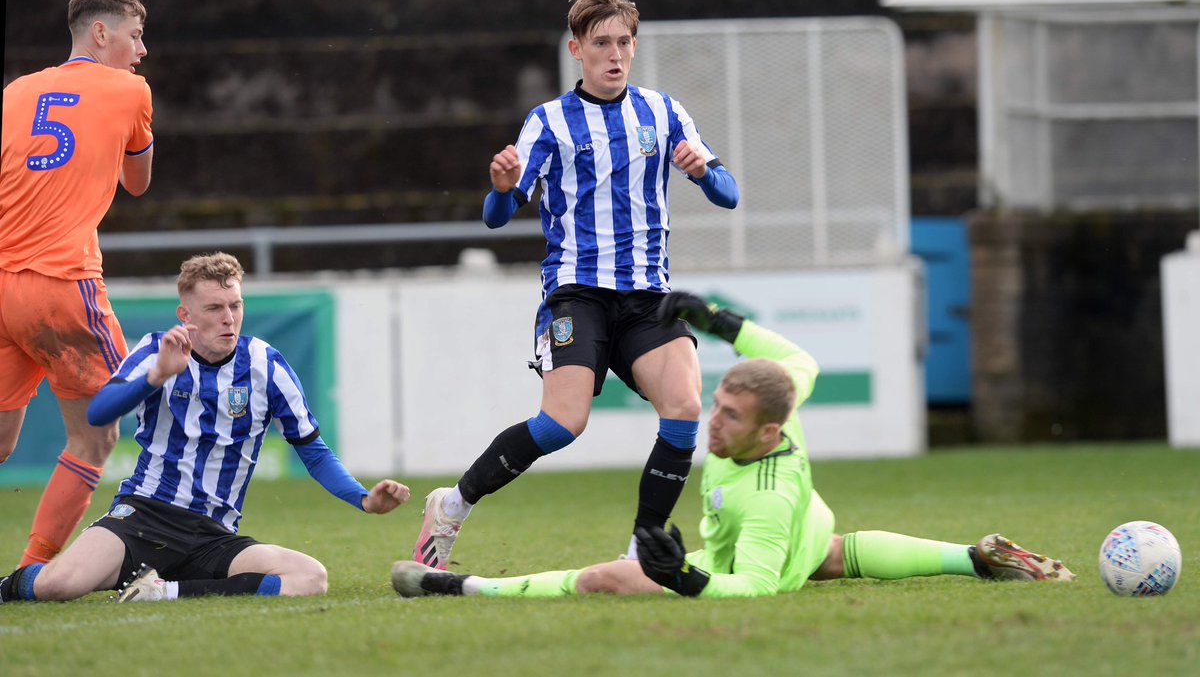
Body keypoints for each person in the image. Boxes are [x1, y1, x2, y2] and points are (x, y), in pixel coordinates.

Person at [392, 291, 1075, 598]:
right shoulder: (780, 404)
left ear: (768, 433)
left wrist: (683, 576)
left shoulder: (765, 502)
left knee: (604, 579)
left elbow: (750, 586)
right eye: (717, 405)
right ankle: (971, 557)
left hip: (763, 545)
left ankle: (461, 586)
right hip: (809, 530)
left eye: (730, 417)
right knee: (839, 555)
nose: (711, 424)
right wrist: (716, 320)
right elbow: (795, 355)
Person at [412, 0, 740, 570]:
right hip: (578, 293)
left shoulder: (663, 112)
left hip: (646, 297)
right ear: (576, 50)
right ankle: (453, 504)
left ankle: (645, 545)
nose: (615, 54)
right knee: (564, 423)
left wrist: (704, 172)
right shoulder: (548, 123)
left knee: (686, 406)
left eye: (624, 42)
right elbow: (496, 218)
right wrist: (502, 189)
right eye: (601, 43)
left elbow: (729, 194)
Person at [0, 252, 410, 603]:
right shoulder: (157, 350)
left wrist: (362, 500)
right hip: (144, 516)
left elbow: (313, 451)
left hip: (213, 534)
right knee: (60, 585)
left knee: (310, 578)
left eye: (235, 305)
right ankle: (7, 588)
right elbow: (98, 413)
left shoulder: (266, 364)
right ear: (187, 315)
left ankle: (162, 592)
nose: (229, 318)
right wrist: (156, 375)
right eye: (215, 308)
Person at [1, 0, 156, 567]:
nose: (141, 51)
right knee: (95, 437)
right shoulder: (130, 90)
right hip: (62, 282)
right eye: (135, 35)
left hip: (2, 280)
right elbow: (137, 184)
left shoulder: (17, 91)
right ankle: (33, 568)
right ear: (100, 33)